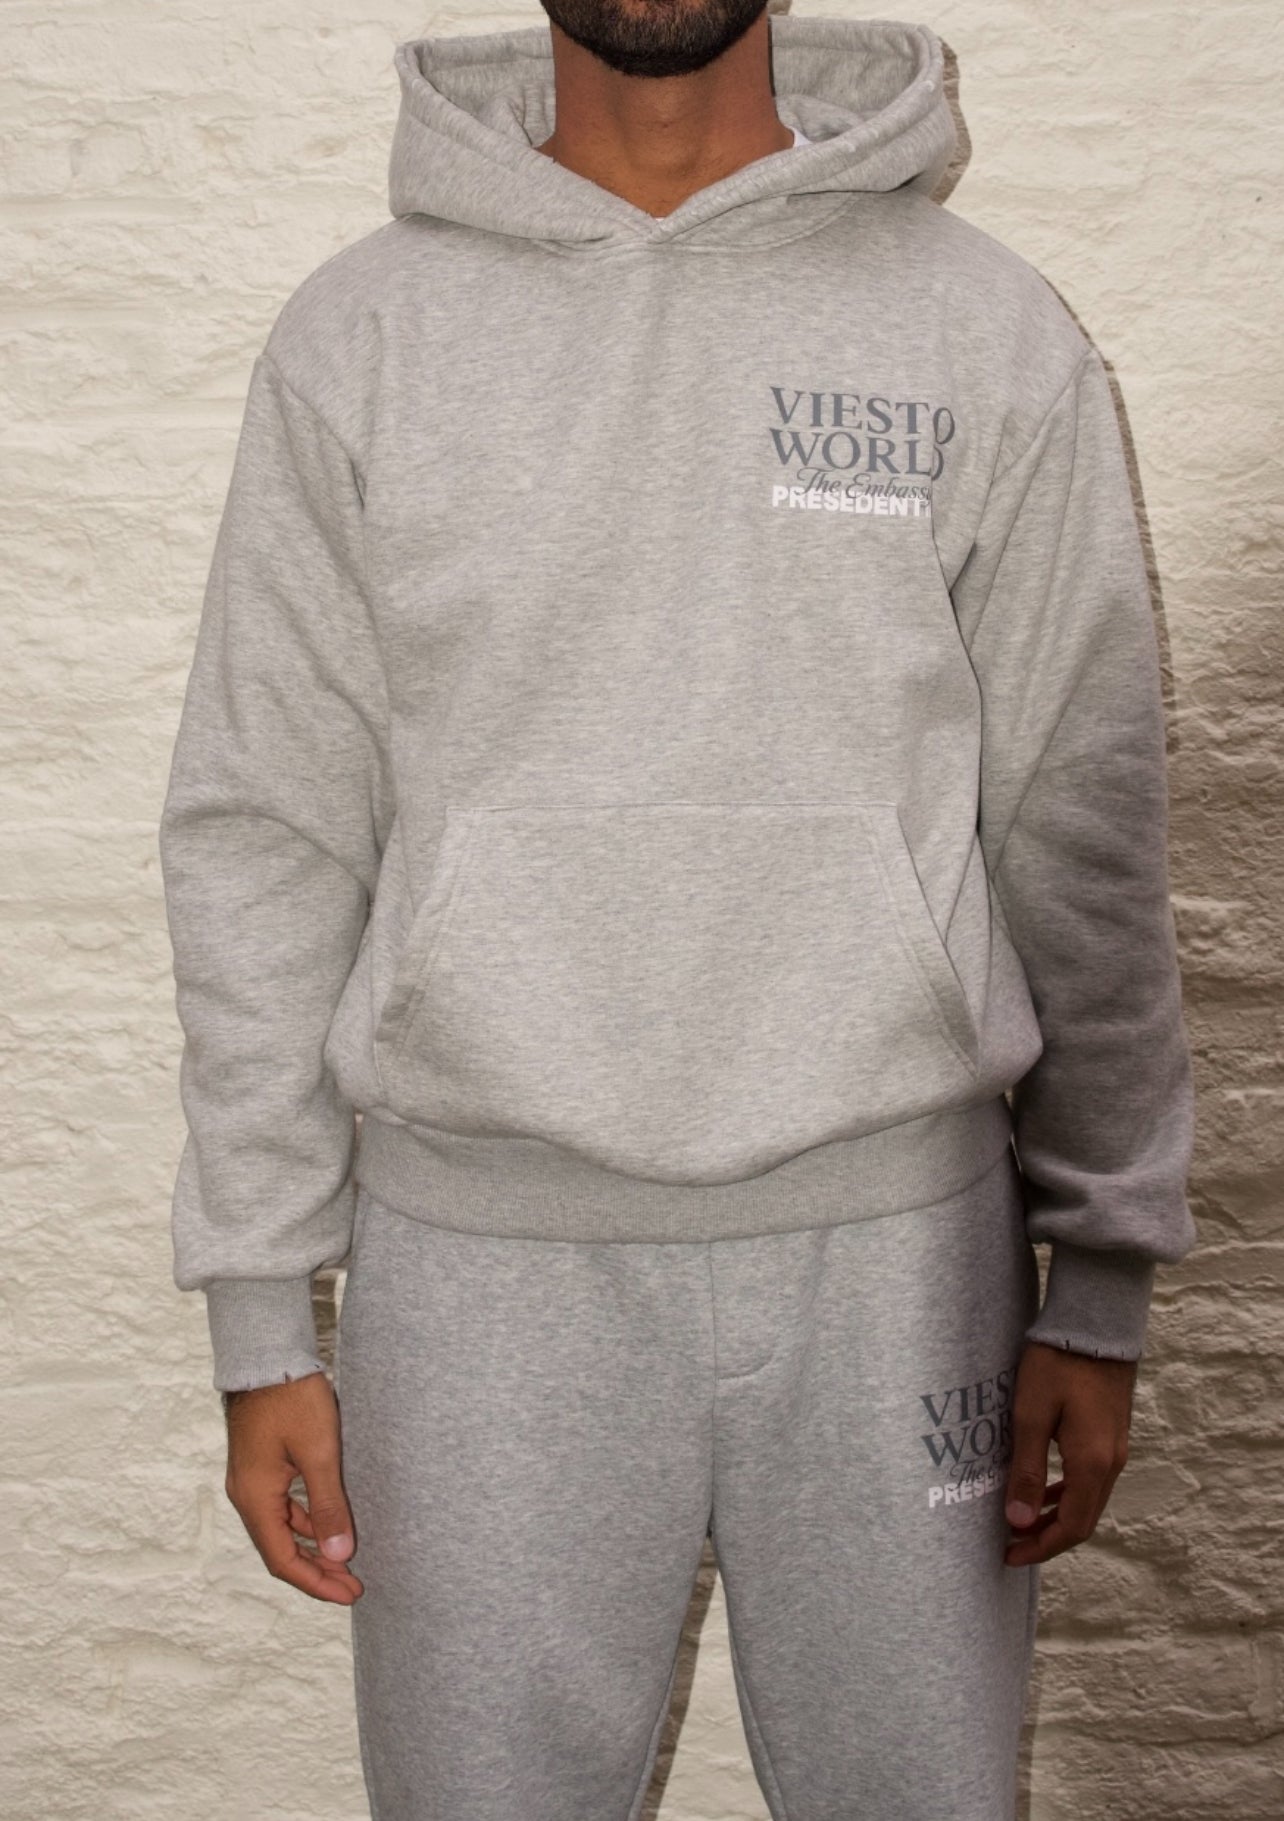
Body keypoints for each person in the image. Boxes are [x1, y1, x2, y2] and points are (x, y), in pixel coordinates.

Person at [157, 2, 1198, 1816]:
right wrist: (260, 1312)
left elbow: (1081, 814)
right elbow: (270, 824)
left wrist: (1099, 1278)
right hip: (480, 1280)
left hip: (900, 1267)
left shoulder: (978, 325)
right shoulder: (364, 338)